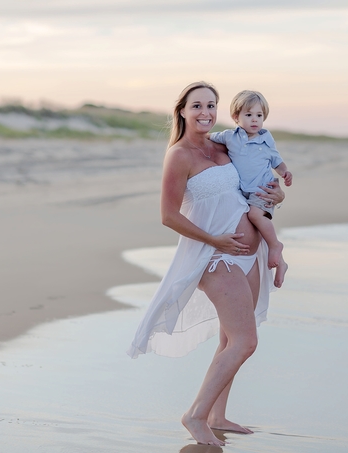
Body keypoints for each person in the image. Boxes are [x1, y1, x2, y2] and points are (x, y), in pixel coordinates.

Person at [126, 81, 286, 447]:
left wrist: (277, 193)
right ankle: (195, 414)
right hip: (214, 257)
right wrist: (215, 241)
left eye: (211, 105)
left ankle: (217, 415)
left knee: (229, 338)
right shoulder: (179, 155)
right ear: (182, 110)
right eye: (197, 105)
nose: (205, 113)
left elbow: (256, 184)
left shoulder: (225, 144)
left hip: (249, 255)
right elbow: (168, 216)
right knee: (246, 342)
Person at [210, 90, 292, 272]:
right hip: (243, 191)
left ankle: (275, 245)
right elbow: (207, 138)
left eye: (259, 115)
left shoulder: (266, 139)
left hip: (263, 188)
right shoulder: (229, 137)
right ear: (236, 117)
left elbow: (277, 161)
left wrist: (285, 172)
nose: (255, 120)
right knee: (252, 223)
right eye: (248, 115)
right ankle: (281, 264)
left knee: (255, 216)